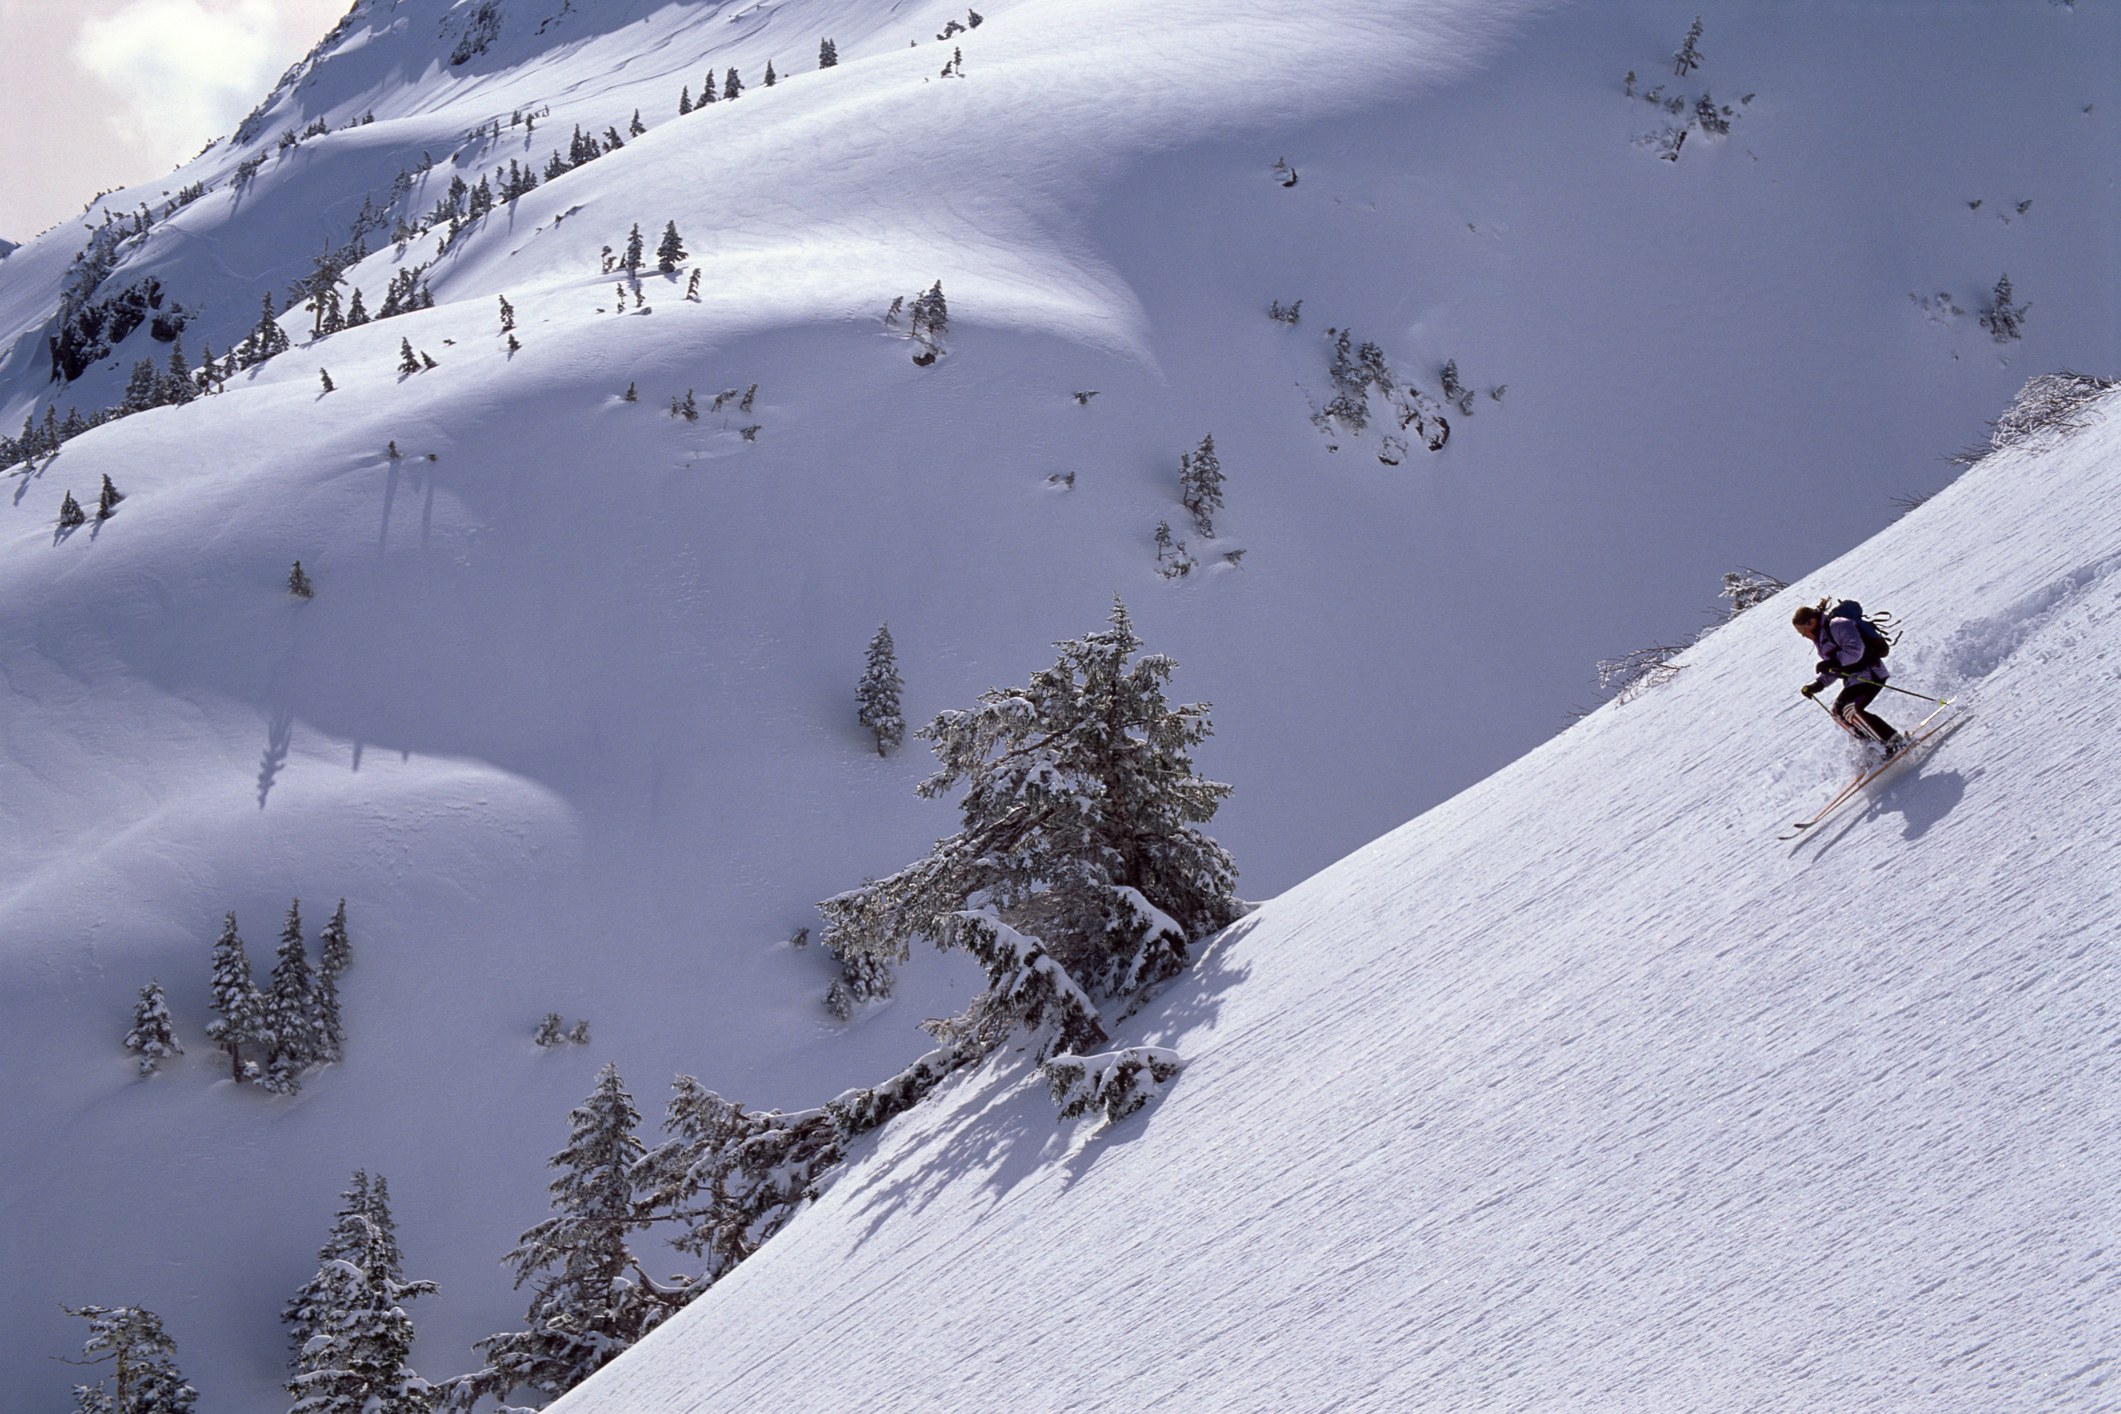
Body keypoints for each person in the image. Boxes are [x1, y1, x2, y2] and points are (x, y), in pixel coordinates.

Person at [1793, 601, 1904, 753]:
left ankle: (1892, 741)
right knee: (1838, 713)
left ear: (1812, 621)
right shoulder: (1821, 639)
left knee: (1850, 710)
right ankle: (1873, 749)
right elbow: (1834, 668)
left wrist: (1834, 661)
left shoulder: (1838, 625)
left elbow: (1855, 651)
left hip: (1870, 672)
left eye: (1803, 630)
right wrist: (1818, 684)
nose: (1803, 635)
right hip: (1854, 679)